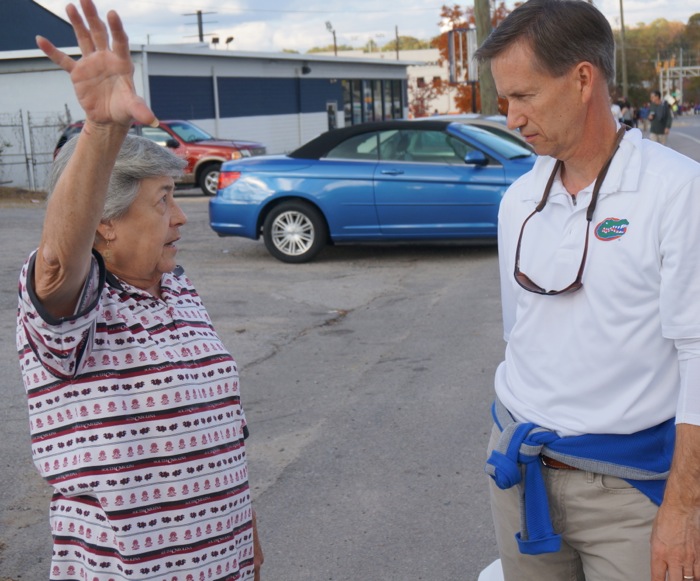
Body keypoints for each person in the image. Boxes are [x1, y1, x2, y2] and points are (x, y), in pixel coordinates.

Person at [16, 1, 263, 579]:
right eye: (163, 200)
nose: (181, 218)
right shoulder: (74, 304)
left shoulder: (175, 286)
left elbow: (219, 430)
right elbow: (57, 259)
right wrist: (104, 129)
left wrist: (247, 536)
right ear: (105, 222)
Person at [474, 1, 700, 580]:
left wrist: (684, 510)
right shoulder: (519, 201)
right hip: (521, 474)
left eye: (524, 97)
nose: (511, 119)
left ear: (582, 79)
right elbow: (518, 332)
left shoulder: (676, 192)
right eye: (505, 102)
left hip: (630, 494)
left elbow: (698, 355)